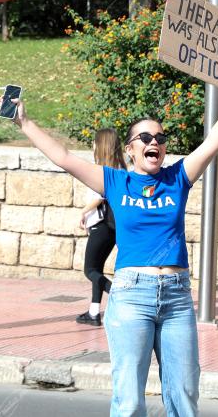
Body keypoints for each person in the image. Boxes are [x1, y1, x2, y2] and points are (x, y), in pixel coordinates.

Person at [0, 75, 218, 417]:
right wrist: (24, 121)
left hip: (176, 297)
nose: (154, 142)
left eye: (160, 138)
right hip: (132, 296)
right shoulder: (115, 181)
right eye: (145, 138)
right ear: (130, 149)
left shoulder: (177, 178)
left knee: (185, 393)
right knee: (129, 400)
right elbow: (64, 157)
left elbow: (212, 144)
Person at [76, 128, 125, 327]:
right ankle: (94, 312)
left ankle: (118, 296)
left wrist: (83, 211)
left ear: (102, 145)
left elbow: (100, 196)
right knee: (97, 269)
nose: (93, 145)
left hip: (101, 225)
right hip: (113, 228)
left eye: (95, 141)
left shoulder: (102, 172)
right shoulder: (121, 170)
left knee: (90, 271)